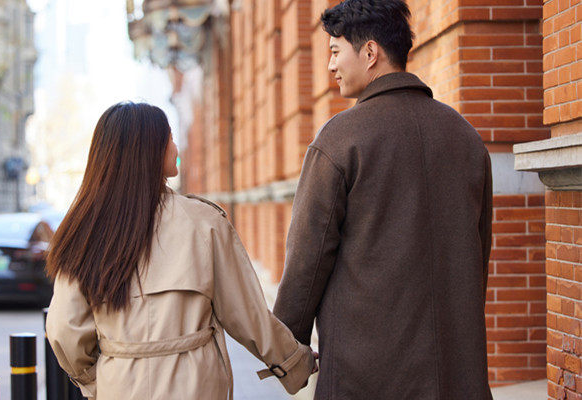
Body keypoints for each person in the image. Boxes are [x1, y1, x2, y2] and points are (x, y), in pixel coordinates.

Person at [272, 1, 493, 399]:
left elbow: (308, 257)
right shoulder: (466, 138)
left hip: (366, 376)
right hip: (457, 375)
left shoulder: (340, 139)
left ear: (370, 52)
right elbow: (478, 257)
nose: (330, 66)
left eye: (335, 50)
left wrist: (285, 350)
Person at [45, 101, 316, 399]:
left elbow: (63, 329)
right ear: (148, 149)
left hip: (118, 386)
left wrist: (99, 382)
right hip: (196, 387)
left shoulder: (84, 230)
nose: (176, 148)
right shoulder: (204, 223)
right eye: (169, 139)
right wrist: (294, 362)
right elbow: (247, 314)